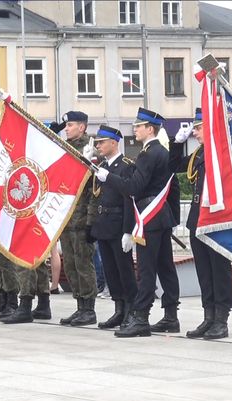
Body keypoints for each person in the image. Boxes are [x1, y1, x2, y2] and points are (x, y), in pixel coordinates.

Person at [96, 107, 177, 338]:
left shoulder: (147, 154)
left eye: (139, 126)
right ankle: (171, 316)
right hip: (161, 214)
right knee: (165, 267)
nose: (135, 129)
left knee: (146, 269)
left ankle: (141, 318)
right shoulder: (162, 151)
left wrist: (109, 177)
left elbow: (133, 187)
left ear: (150, 129)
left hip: (149, 216)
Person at [170, 108, 232, 339]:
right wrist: (177, 143)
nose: (195, 133)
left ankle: (221, 319)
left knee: (219, 271)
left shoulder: (223, 152)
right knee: (204, 272)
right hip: (197, 219)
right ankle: (209, 316)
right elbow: (174, 166)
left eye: (198, 128)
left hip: (217, 221)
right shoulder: (199, 154)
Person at [89, 125, 137, 329]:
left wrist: (128, 231)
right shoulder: (102, 166)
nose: (98, 146)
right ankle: (119, 309)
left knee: (124, 270)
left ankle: (131, 310)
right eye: (97, 143)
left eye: (102, 142)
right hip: (104, 224)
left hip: (118, 224)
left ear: (114, 143)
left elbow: (129, 199)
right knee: (110, 270)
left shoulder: (126, 166)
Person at [58, 111, 98, 327]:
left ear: (82, 127)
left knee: (83, 264)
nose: (67, 128)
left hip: (81, 219)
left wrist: (91, 220)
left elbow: (94, 190)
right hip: (66, 218)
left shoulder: (89, 150)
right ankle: (80, 306)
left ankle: (89, 309)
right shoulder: (65, 149)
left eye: (71, 125)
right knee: (71, 265)